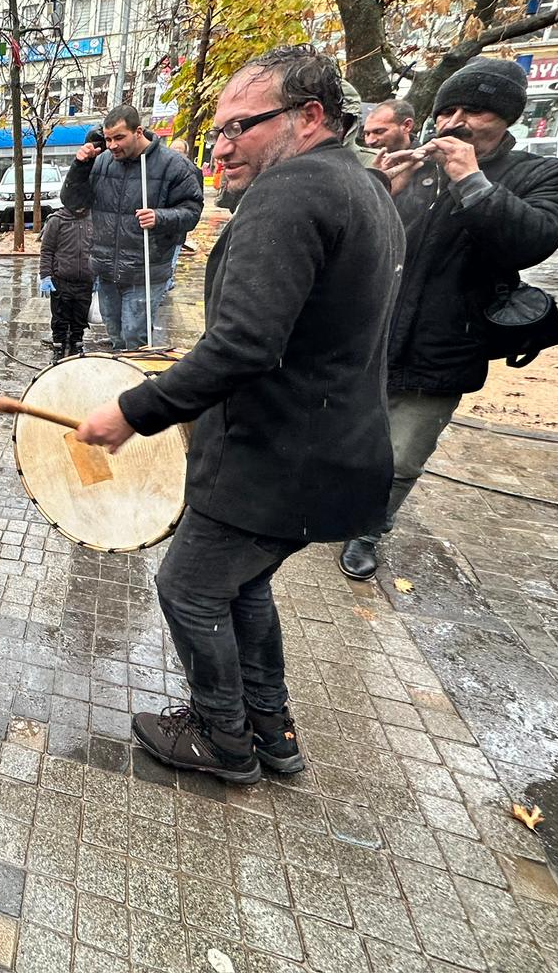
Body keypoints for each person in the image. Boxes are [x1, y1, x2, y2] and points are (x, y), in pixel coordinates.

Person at [76, 46, 403, 783]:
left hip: (272, 455)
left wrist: (134, 410)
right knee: (241, 584)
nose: (220, 148)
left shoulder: (290, 194)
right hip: (330, 449)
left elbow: (246, 343)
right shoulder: (362, 185)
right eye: (217, 131)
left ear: (309, 116)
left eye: (239, 127)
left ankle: (222, 736)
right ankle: (270, 728)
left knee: (188, 589)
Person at [338, 59, 558, 581]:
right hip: (371, 334)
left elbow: (533, 240)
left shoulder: (541, 174)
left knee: (402, 456)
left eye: (475, 111)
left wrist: (470, 179)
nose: (456, 122)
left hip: (446, 344)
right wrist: (380, 191)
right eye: (448, 111)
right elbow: (353, 241)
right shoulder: (416, 166)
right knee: (346, 435)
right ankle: (329, 506)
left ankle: (368, 531)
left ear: (507, 117)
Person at [61, 105, 202, 350]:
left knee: (135, 338)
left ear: (138, 132)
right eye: (108, 139)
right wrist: (80, 166)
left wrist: (160, 217)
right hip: (106, 270)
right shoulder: (102, 162)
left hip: (145, 271)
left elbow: (192, 211)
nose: (112, 145)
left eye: (119, 137)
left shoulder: (173, 165)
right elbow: (73, 203)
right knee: (116, 335)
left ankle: (138, 373)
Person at [38, 200, 93, 361]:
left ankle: (77, 342)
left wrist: (98, 274)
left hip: (85, 280)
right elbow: (47, 250)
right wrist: (45, 275)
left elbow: (99, 249)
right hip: (61, 280)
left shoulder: (93, 219)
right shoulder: (57, 220)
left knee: (80, 315)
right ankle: (58, 345)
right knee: (60, 316)